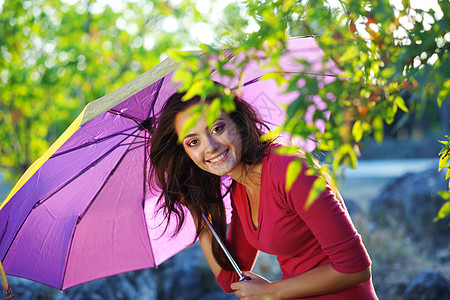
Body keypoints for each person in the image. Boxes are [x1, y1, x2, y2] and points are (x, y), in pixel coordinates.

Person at [149, 91, 378, 299]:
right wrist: (197, 211)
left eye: (217, 128)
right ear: (186, 153)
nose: (209, 147)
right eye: (193, 142)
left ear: (238, 122)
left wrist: (272, 291)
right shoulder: (241, 190)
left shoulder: (290, 171)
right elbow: (231, 280)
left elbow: (355, 268)